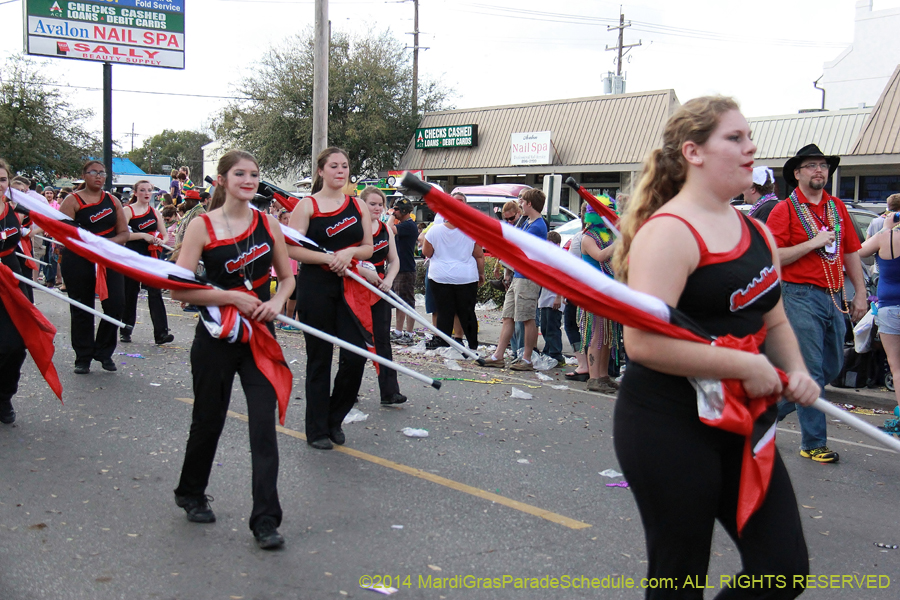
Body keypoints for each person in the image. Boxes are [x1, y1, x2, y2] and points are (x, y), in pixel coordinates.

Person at [611, 96, 817, 599]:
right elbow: (640, 343)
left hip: (743, 418)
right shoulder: (668, 233)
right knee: (680, 580)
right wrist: (741, 362)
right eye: (735, 138)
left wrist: (797, 370)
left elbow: (775, 318)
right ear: (694, 152)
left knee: (784, 570)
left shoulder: (757, 231)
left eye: (749, 137)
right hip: (668, 420)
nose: (751, 148)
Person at [171, 149, 294, 550]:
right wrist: (229, 298)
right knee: (209, 419)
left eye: (254, 174)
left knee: (264, 426)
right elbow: (178, 287)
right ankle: (191, 492)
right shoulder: (201, 226)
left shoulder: (269, 223)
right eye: (239, 173)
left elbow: (287, 279)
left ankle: (265, 520)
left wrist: (275, 303)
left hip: (260, 336)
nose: (248, 179)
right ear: (222, 179)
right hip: (216, 338)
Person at [766, 143, 867, 464]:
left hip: (834, 296)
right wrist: (812, 243)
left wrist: (860, 293)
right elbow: (773, 256)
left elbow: (850, 251)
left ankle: (767, 412)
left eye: (822, 165)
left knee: (831, 367)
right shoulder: (784, 209)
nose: (819, 170)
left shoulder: (836, 207)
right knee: (811, 372)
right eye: (811, 166)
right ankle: (813, 442)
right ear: (797, 174)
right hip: (799, 296)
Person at [288, 147, 374, 450]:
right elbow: (290, 248)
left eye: (345, 166)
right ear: (321, 171)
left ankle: (334, 418)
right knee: (320, 358)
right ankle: (316, 429)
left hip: (350, 287)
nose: (341, 171)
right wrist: (325, 258)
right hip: (315, 287)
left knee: (355, 356)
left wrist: (349, 253)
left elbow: (368, 247)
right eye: (334, 166)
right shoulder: (307, 205)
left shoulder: (358, 206)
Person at [59, 160, 130, 374]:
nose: (99, 176)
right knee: (82, 307)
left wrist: (105, 244)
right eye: (93, 172)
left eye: (102, 173)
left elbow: (124, 233)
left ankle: (103, 351)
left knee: (116, 305)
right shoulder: (72, 201)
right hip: (79, 259)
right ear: (84, 175)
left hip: (108, 258)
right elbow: (62, 233)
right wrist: (88, 245)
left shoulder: (113, 200)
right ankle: (83, 356)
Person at [480, 188, 548, 371]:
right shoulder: (527, 222)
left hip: (528, 277)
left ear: (529, 204)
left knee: (527, 319)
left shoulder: (537, 226)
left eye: (523, 202)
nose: (521, 205)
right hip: (519, 275)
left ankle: (527, 358)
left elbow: (520, 249)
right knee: (508, 316)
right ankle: (498, 355)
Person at [359, 187, 407, 405]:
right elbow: (343, 259)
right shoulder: (354, 229)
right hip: (356, 288)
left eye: (380, 204)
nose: (377, 208)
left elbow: (394, 260)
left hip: (379, 289)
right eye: (372, 204)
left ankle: (389, 391)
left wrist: (388, 280)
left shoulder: (385, 230)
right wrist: (364, 273)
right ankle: (348, 391)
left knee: (383, 341)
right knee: (356, 343)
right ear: (362, 205)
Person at [422, 192, 485, 352]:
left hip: (440, 275)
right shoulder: (472, 230)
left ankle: (444, 341)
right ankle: (472, 344)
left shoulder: (434, 231)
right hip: (466, 275)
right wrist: (481, 273)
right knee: (467, 312)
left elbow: (427, 253)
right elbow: (479, 255)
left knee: (444, 311)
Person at [858, 213, 900, 433]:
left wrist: (885, 228)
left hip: (890, 306)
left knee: (896, 366)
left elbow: (858, 252)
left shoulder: (887, 237)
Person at [121, 180, 174, 345]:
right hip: (133, 255)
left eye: (149, 190)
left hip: (151, 256)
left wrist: (159, 240)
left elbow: (165, 236)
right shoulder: (127, 211)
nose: (146, 193)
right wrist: (143, 235)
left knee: (155, 291)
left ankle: (161, 333)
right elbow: (122, 235)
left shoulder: (155, 213)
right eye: (142, 190)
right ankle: (126, 328)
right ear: (135, 192)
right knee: (131, 292)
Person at [579, 202, 621, 393]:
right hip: (593, 292)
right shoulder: (587, 237)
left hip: (608, 291)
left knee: (607, 336)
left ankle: (603, 376)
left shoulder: (607, 236)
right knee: (597, 335)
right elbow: (601, 256)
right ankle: (594, 377)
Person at [0, 159, 27, 424]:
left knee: (17, 343)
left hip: (12, 274)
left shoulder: (12, 208)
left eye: (2, 180)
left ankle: (5, 395)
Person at [388, 197, 418, 345]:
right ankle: (399, 331)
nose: (395, 211)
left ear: (405, 211)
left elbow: (388, 230)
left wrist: (391, 216)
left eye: (397, 209)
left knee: (407, 302)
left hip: (406, 269)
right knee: (400, 302)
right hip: (399, 268)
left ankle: (409, 333)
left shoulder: (408, 226)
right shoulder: (404, 224)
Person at [538, 230, 565, 365]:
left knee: (553, 327)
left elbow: (561, 279)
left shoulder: (559, 258)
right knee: (545, 327)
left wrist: (558, 296)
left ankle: (555, 352)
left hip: (554, 297)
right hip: (545, 298)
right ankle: (548, 349)